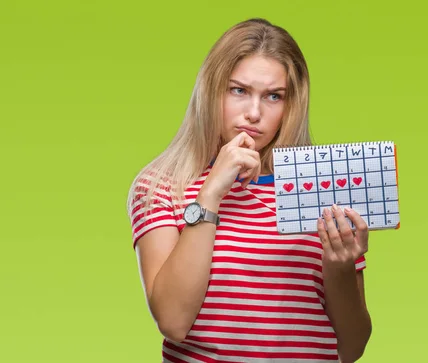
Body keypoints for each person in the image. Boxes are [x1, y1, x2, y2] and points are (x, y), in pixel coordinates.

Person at [126, 18, 372, 363]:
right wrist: (210, 194)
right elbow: (172, 321)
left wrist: (340, 267)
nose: (253, 114)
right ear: (211, 90)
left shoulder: (322, 184)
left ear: (291, 105)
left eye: (273, 96)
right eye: (238, 90)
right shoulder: (161, 185)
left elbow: (353, 347)